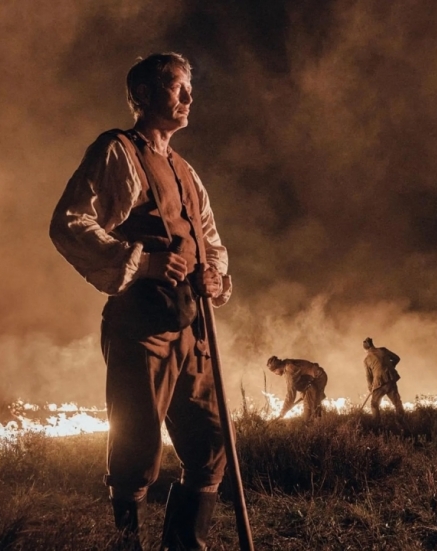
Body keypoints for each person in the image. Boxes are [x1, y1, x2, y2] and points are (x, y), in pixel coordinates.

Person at [49, 52, 232, 550]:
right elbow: (69, 222)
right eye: (178, 87)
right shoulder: (118, 151)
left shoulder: (186, 171)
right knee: (137, 449)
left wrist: (214, 274)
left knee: (213, 444)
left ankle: (183, 545)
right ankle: (127, 544)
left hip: (193, 329)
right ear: (145, 95)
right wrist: (145, 264)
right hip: (141, 326)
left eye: (190, 88)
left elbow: (209, 239)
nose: (189, 98)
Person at [267, 356, 328, 420]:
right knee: (313, 402)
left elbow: (291, 395)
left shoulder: (289, 372)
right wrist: (303, 393)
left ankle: (310, 423)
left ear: (277, 368)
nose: (275, 374)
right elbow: (301, 379)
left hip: (318, 378)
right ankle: (319, 420)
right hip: (314, 378)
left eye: (274, 372)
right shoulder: (286, 363)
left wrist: (284, 410)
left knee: (309, 407)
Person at [363, 337, 404, 415]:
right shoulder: (383, 350)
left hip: (379, 383)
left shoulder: (367, 359)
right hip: (390, 379)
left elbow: (368, 376)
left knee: (374, 405)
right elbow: (397, 358)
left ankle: (376, 425)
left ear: (366, 350)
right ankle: (402, 422)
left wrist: (370, 387)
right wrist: (391, 366)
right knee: (397, 402)